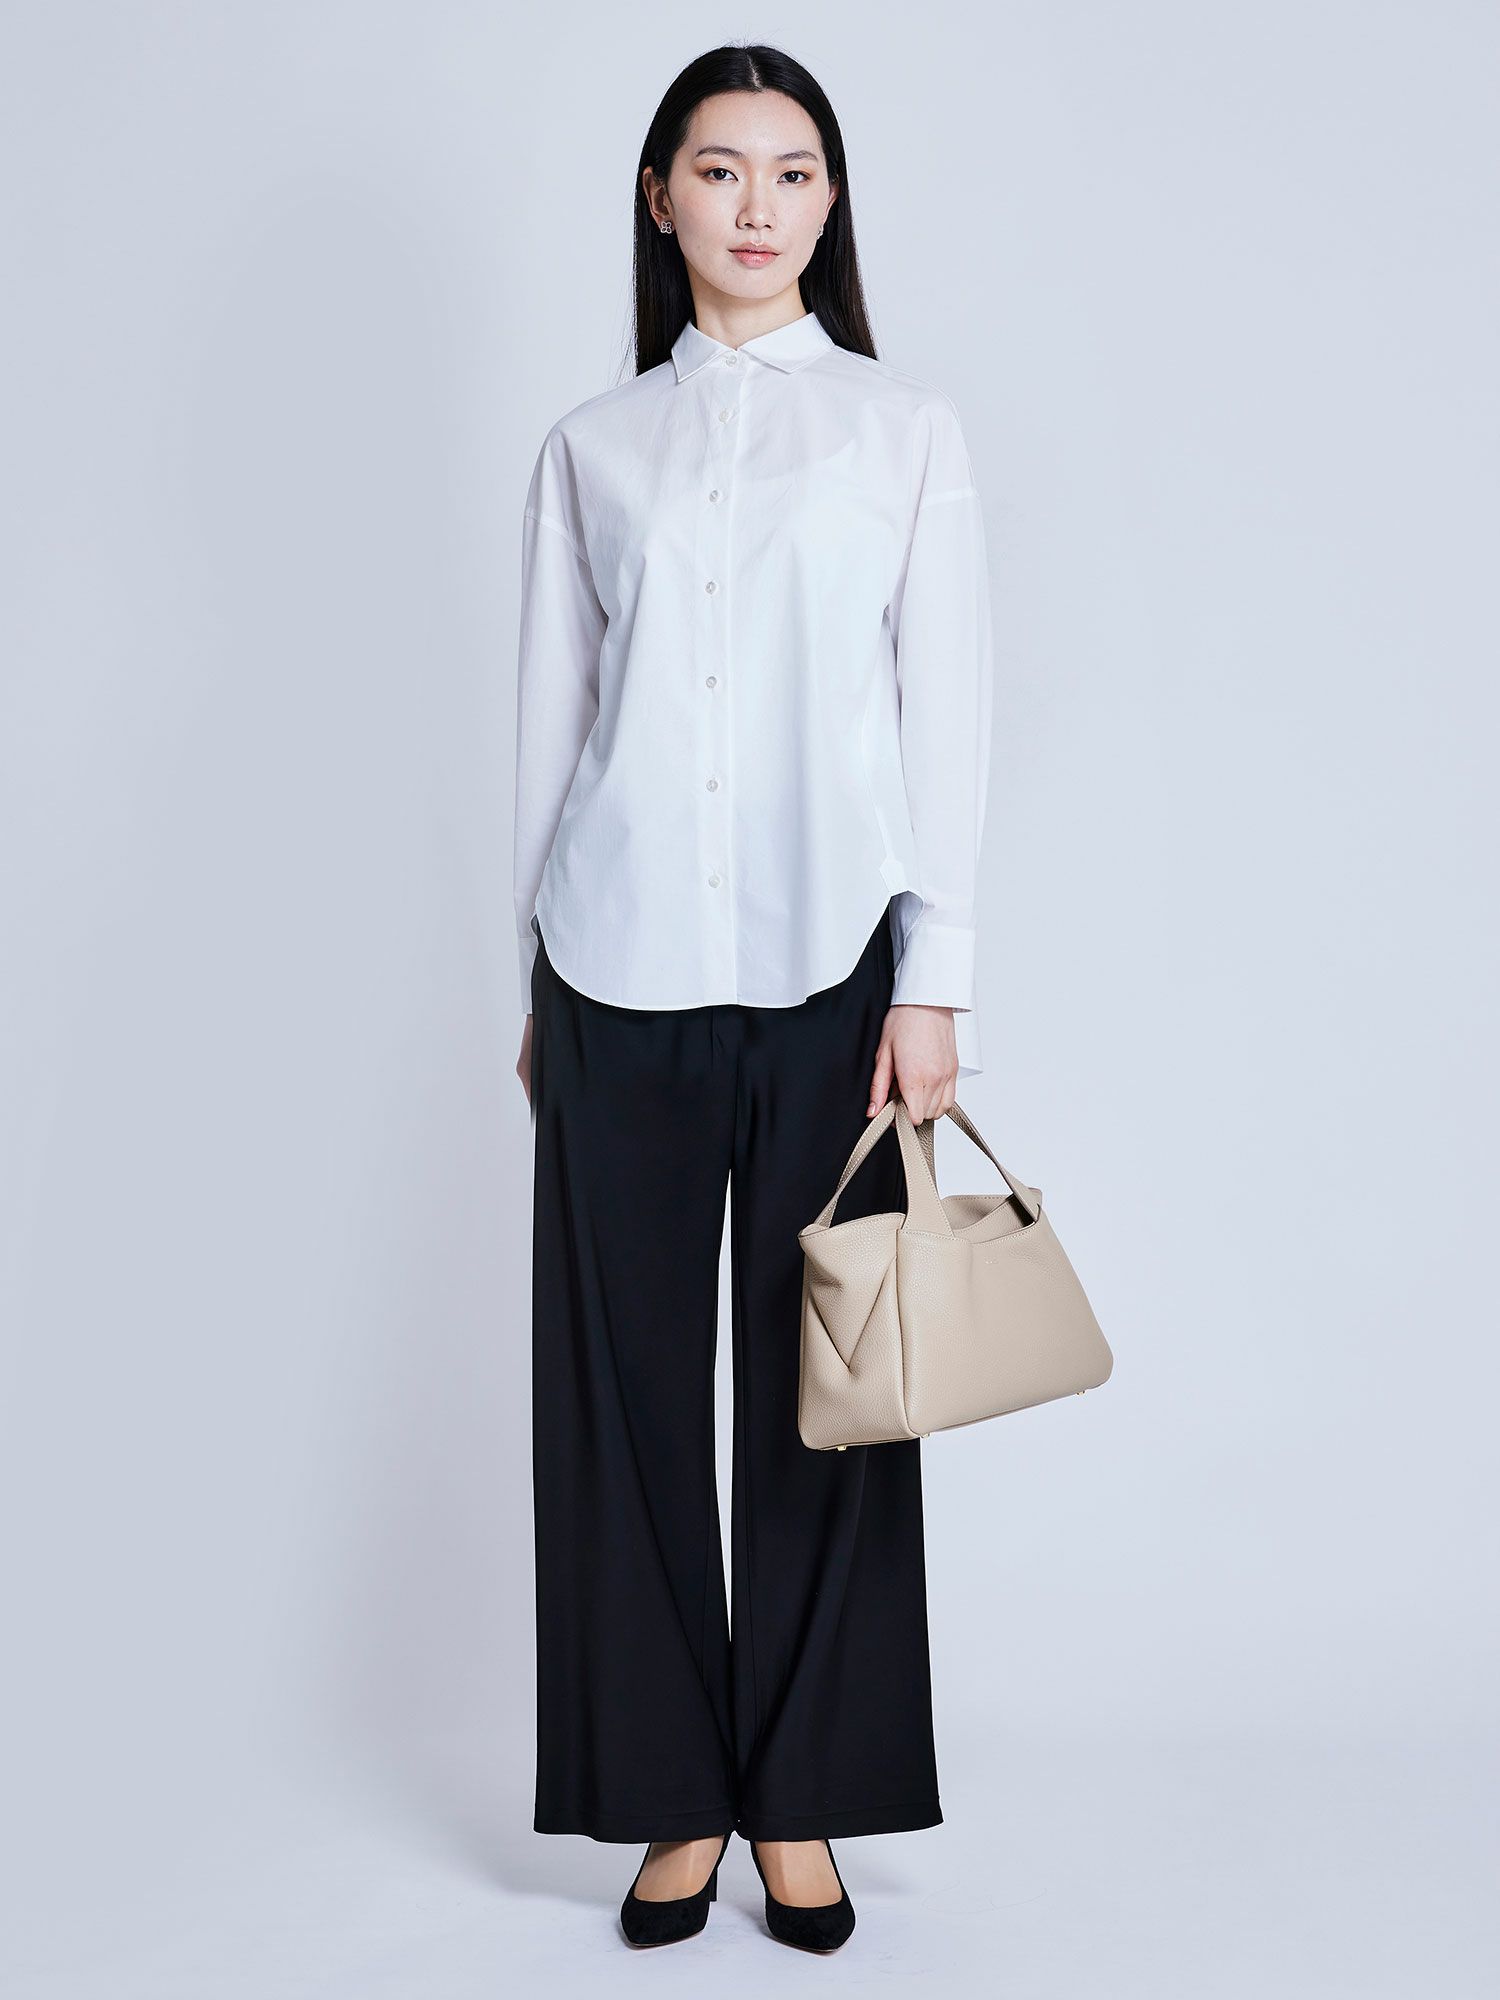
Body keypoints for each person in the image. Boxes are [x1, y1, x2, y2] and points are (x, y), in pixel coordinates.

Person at [512, 42, 994, 1953]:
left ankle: (799, 1803)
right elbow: (549, 732)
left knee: (831, 1398)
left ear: (831, 200)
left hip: (834, 972)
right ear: (662, 199)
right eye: (719, 170)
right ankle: (666, 1802)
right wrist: (530, 978)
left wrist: (935, 981)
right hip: (613, 966)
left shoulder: (902, 433)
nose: (757, 204)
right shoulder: (590, 448)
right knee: (622, 1396)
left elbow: (946, 721)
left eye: (793, 172)